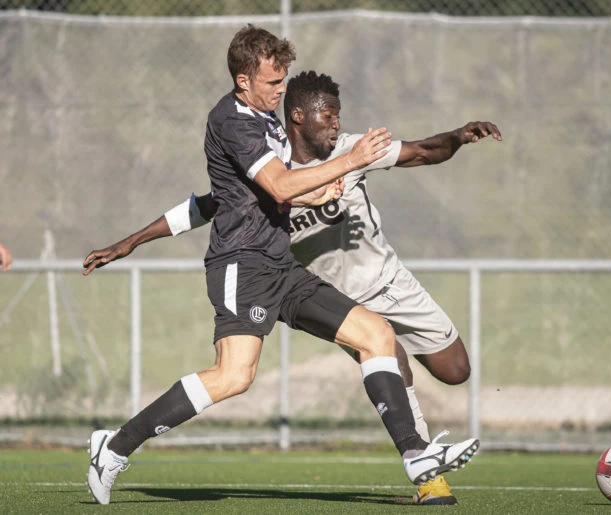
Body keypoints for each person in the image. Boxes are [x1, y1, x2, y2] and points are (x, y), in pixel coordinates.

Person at [83, 25, 479, 506]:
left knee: (376, 334)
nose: (280, 89)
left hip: (281, 266)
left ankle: (416, 456)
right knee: (234, 377)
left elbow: (277, 189)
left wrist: (318, 188)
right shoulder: (234, 121)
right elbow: (275, 188)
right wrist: (349, 161)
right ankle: (116, 445)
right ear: (244, 79)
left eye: (283, 79)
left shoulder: (267, 119)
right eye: (273, 82)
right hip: (241, 264)